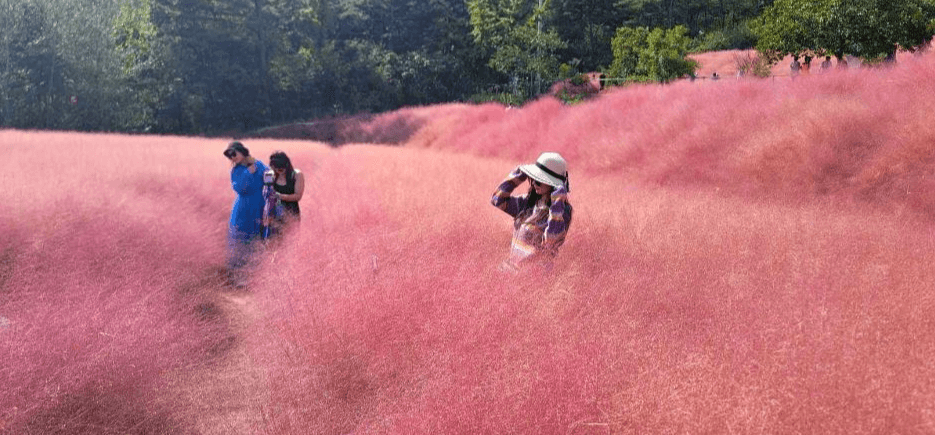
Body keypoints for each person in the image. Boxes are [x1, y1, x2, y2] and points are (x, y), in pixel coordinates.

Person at [491, 152, 573, 273]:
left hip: (536, 276)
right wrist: (517, 176)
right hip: (511, 271)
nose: (534, 183)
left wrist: (557, 202)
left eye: (539, 181)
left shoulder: (563, 211)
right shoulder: (528, 202)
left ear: (553, 185)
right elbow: (497, 200)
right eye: (533, 179)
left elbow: (551, 242)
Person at [223, 141, 269, 285]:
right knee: (240, 239)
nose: (232, 157)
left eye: (234, 153)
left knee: (258, 239)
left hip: (259, 205)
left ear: (242, 152)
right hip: (242, 209)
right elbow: (239, 188)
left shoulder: (260, 165)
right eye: (229, 155)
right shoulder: (236, 171)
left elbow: (269, 179)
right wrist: (249, 172)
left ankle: (256, 278)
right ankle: (238, 278)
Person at [268, 150, 305, 226]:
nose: (279, 171)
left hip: (291, 213)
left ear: (287, 165)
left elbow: (298, 196)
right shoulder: (270, 175)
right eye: (276, 168)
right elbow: (266, 192)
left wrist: (280, 196)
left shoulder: (297, 175)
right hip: (274, 212)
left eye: (281, 168)